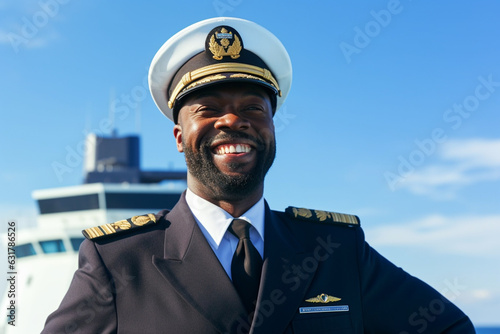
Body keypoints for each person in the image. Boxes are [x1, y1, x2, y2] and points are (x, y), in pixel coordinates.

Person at [42, 17, 475, 333]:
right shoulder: (118, 261)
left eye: (253, 108)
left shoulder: (335, 248)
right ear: (179, 136)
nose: (233, 120)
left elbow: (448, 328)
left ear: (271, 128)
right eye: (208, 109)